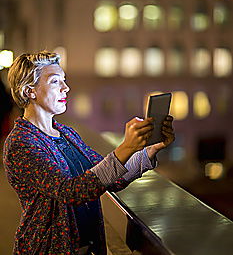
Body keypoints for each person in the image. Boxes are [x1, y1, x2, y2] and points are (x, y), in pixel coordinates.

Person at [3, 51, 175, 255]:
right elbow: (70, 191)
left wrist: (149, 150)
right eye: (55, 81)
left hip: (88, 248)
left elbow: (110, 177)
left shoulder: (66, 133)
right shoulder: (21, 142)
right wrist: (126, 146)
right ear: (30, 91)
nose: (65, 88)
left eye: (64, 81)